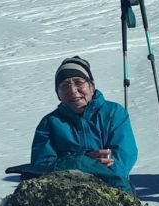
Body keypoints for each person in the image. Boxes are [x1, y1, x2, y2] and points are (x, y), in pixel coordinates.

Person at [30, 56, 140, 192]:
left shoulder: (113, 113)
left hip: (113, 190)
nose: (72, 90)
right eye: (64, 86)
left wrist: (83, 166)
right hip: (65, 193)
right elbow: (42, 167)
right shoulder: (49, 123)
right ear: (58, 94)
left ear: (91, 86)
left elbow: (124, 157)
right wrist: (84, 161)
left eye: (78, 82)